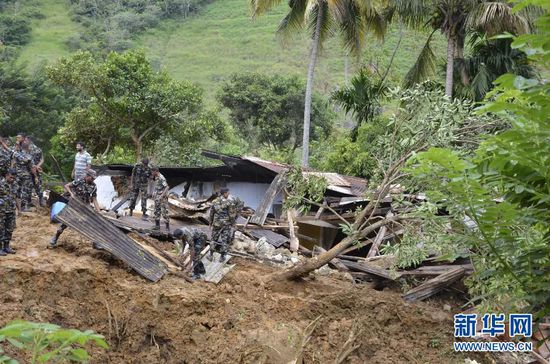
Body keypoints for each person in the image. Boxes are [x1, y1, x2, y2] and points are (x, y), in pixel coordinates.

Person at [50, 170, 101, 247]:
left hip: (85, 208)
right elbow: (67, 186)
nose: (93, 179)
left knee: (91, 224)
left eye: (94, 178)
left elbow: (94, 199)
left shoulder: (93, 186)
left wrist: (99, 212)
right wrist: (71, 194)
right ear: (87, 176)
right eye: (92, 178)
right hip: (75, 206)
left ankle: (95, 243)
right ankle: (55, 237)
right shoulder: (79, 181)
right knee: (65, 223)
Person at [209, 187, 236, 262]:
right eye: (228, 192)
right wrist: (233, 223)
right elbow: (231, 215)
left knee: (213, 239)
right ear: (224, 193)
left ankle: (210, 255)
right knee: (225, 240)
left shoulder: (214, 201)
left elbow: (211, 213)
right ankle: (222, 257)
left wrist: (210, 223)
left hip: (216, 224)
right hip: (226, 225)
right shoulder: (229, 202)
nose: (229, 193)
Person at [11, 141, 36, 212]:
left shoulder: (16, 154)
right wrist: (36, 177)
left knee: (17, 190)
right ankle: (23, 207)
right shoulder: (29, 156)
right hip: (25, 175)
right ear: (28, 147)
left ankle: (16, 207)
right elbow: (32, 167)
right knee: (25, 190)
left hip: (17, 175)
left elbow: (13, 163)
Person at [0, 169, 18, 255]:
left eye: (14, 178)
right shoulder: (1, 184)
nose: (12, 179)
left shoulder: (14, 185)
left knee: (9, 229)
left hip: (11, 210)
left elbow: (17, 197)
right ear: (6, 175)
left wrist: (19, 209)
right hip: (1, 211)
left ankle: (6, 247)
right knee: (1, 229)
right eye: (11, 177)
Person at [26, 135, 45, 206]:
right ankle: (41, 201)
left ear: (29, 140)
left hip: (29, 170)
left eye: (26, 140)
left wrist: (35, 166)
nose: (25, 141)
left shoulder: (28, 149)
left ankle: (29, 202)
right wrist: (38, 166)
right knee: (38, 186)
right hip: (36, 170)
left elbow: (29, 161)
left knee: (28, 186)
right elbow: (42, 159)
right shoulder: (38, 149)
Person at [151, 166, 170, 231]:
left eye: (152, 172)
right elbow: (157, 186)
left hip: (162, 198)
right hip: (157, 197)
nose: (152, 173)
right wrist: (154, 192)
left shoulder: (161, 177)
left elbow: (167, 187)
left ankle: (167, 227)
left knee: (164, 212)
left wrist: (161, 196)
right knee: (157, 211)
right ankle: (157, 226)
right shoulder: (156, 177)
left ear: (156, 171)